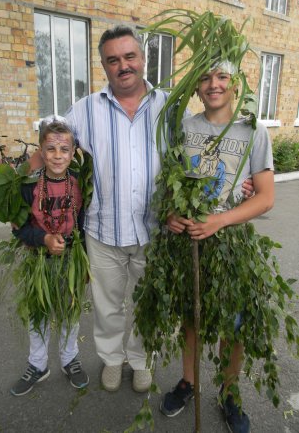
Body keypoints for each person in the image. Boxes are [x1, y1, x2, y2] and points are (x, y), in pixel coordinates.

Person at [65, 25, 254, 394]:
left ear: (143, 58)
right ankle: (112, 359)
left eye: (129, 56)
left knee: (146, 303)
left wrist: (238, 181)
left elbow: (206, 147)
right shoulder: (85, 109)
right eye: (113, 60)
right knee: (107, 306)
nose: (123, 66)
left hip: (155, 231)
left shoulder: (171, 107)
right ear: (103, 65)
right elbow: (52, 141)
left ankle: (139, 360)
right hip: (104, 231)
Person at [159, 64, 274, 433]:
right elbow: (170, 181)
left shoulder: (253, 130)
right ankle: (189, 382)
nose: (214, 85)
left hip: (231, 244)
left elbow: (266, 197)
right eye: (206, 78)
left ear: (235, 83)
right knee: (191, 318)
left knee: (233, 325)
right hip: (190, 242)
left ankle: (229, 393)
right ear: (196, 87)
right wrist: (172, 213)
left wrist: (221, 220)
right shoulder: (186, 128)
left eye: (222, 77)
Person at [10, 116, 89, 396]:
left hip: (71, 261)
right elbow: (18, 230)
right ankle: (38, 364)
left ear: (72, 152)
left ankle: (70, 359)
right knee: (38, 314)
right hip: (38, 260)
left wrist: (86, 262)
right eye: (51, 149)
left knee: (70, 312)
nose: (58, 155)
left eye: (64, 149)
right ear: (41, 152)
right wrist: (42, 239)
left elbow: (83, 223)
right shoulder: (28, 186)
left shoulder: (80, 183)